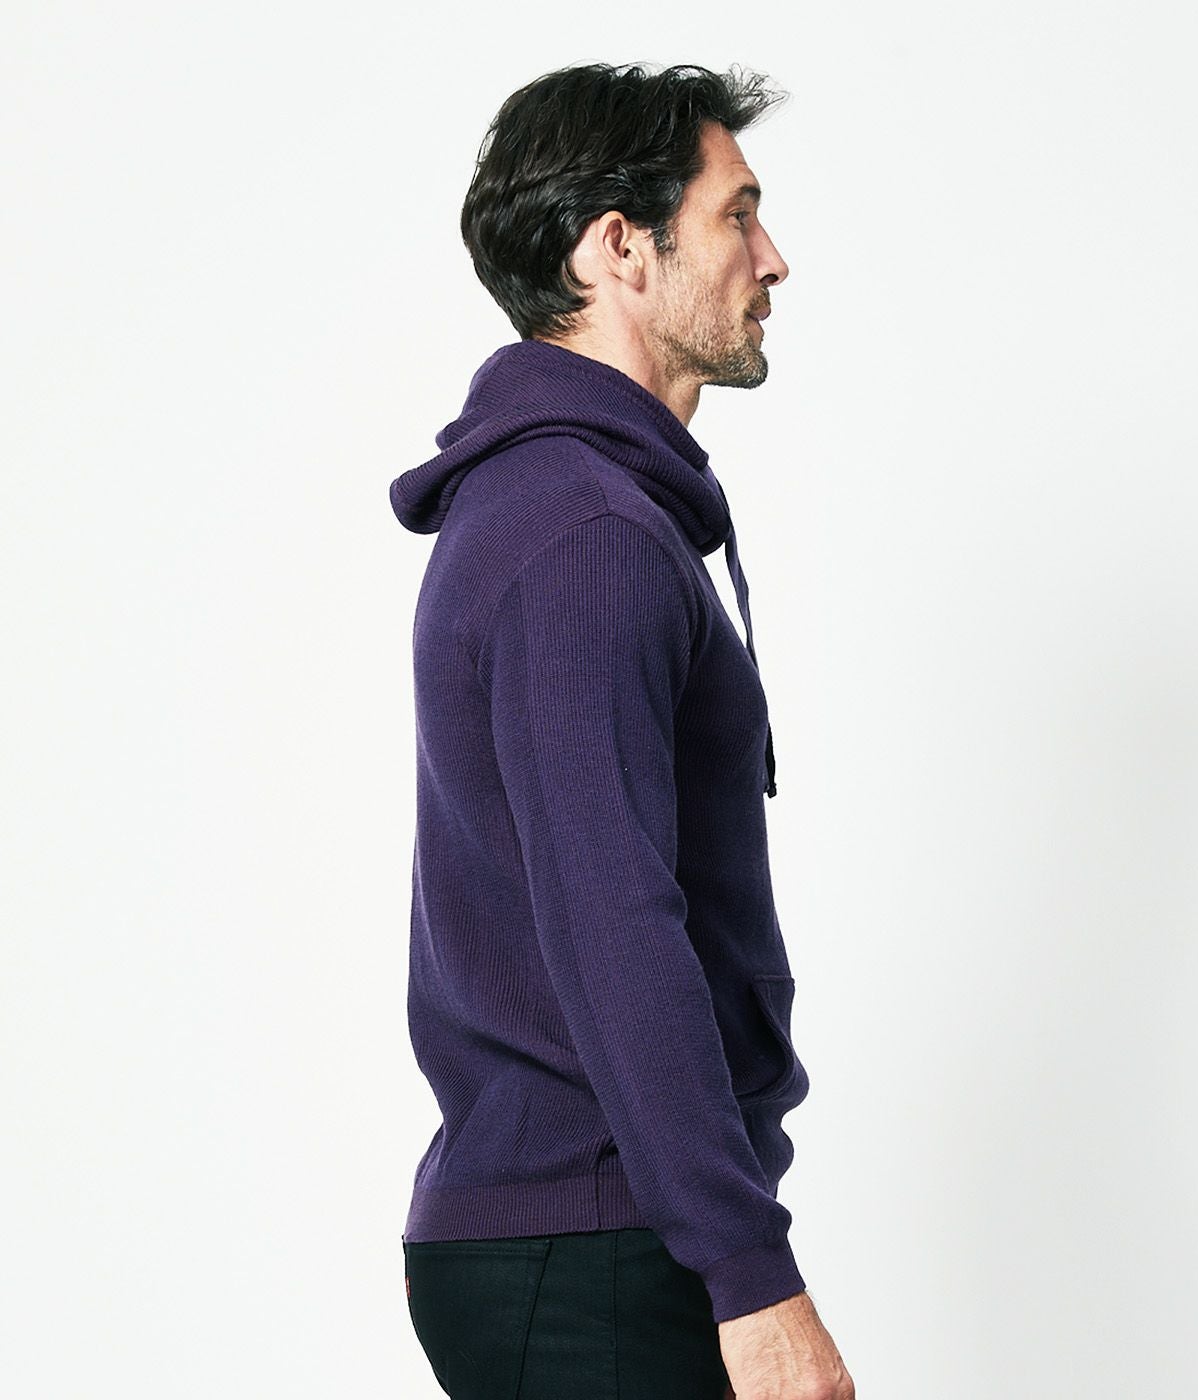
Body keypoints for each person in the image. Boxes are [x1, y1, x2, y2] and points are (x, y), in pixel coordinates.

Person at [388, 60, 855, 1400]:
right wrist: (753, 1280)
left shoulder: (570, 507)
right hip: (598, 1240)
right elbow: (612, 924)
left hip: (591, 1227)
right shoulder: (583, 531)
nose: (773, 258)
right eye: (735, 214)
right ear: (619, 248)